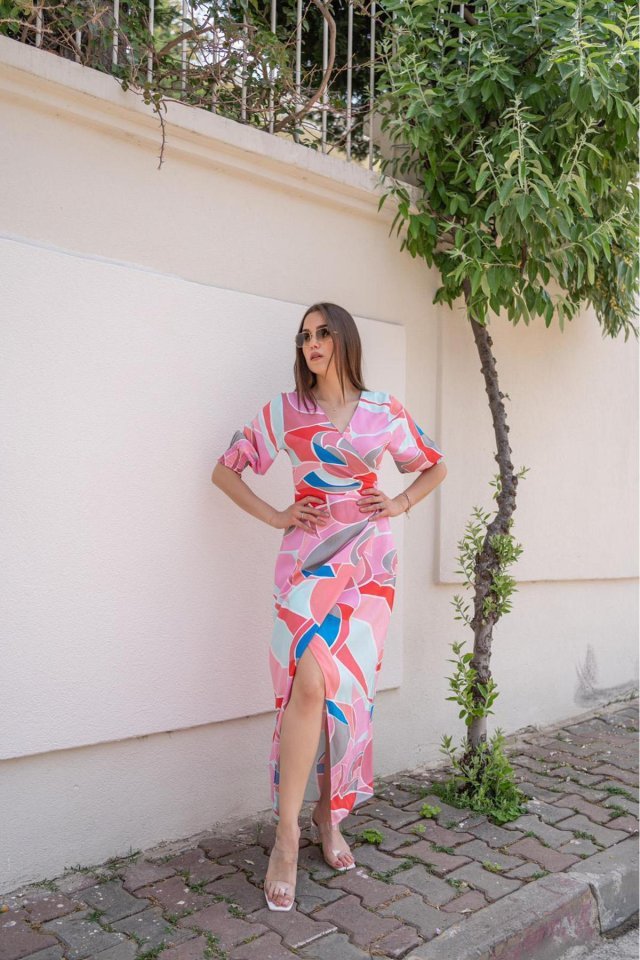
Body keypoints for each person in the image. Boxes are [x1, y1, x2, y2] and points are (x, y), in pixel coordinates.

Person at [211, 302, 447, 911]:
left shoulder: (384, 411)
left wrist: (399, 503)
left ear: (344, 339)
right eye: (305, 336)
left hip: (370, 569)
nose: (311, 343)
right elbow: (225, 471)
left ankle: (328, 814)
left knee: (343, 695)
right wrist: (277, 515)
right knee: (309, 683)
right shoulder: (286, 411)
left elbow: (434, 465)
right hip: (307, 563)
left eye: (322, 333)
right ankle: (287, 836)